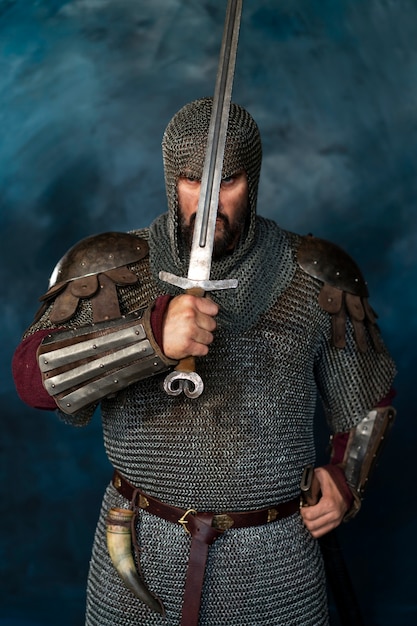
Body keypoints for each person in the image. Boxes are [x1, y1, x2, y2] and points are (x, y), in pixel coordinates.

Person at [13, 97, 396, 626]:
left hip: (272, 561)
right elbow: (34, 379)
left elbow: (367, 391)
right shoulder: (111, 268)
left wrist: (343, 474)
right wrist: (147, 337)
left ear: (253, 181)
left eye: (228, 181)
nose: (209, 199)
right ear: (173, 180)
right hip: (142, 552)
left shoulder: (314, 276)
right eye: (193, 180)